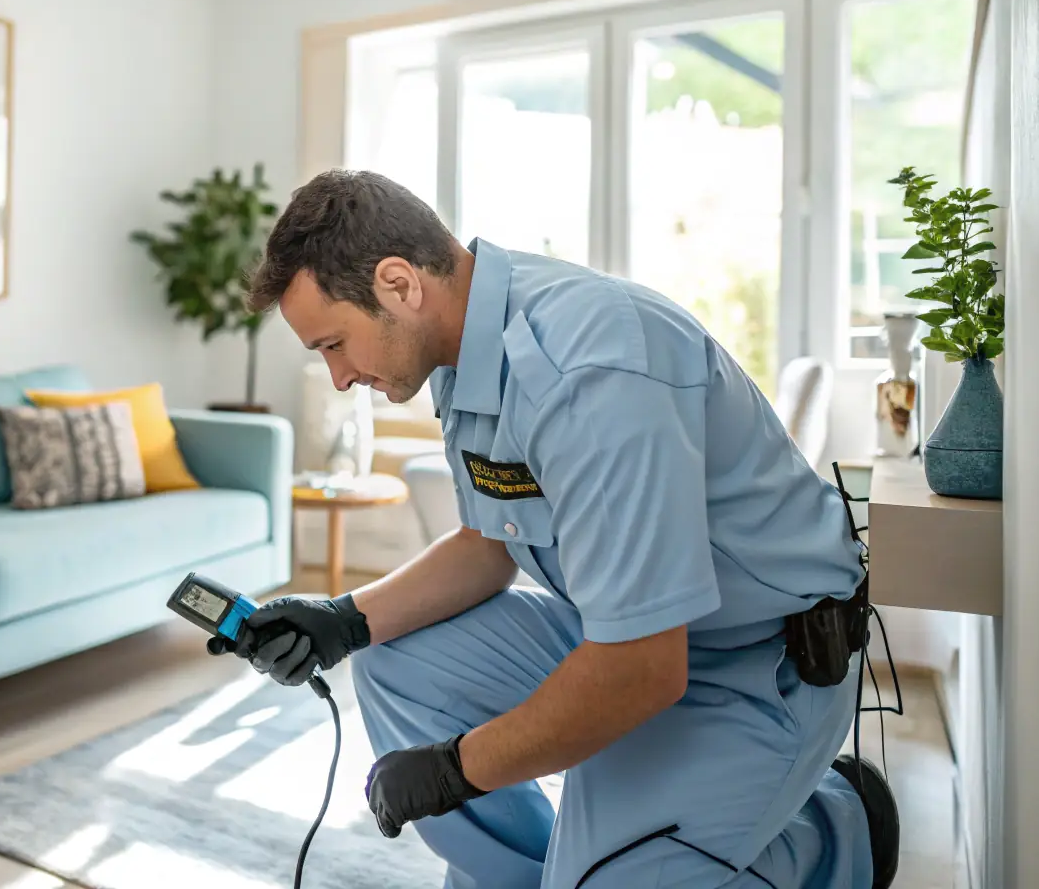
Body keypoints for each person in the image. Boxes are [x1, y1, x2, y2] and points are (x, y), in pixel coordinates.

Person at [209, 170, 899, 889]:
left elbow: (642, 668)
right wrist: (341, 620)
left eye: (333, 344)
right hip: (627, 635)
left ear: (399, 284)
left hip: (755, 664)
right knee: (394, 660)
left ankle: (836, 832)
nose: (339, 377)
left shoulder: (589, 371)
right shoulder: (460, 353)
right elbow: (488, 546)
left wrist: (455, 768)